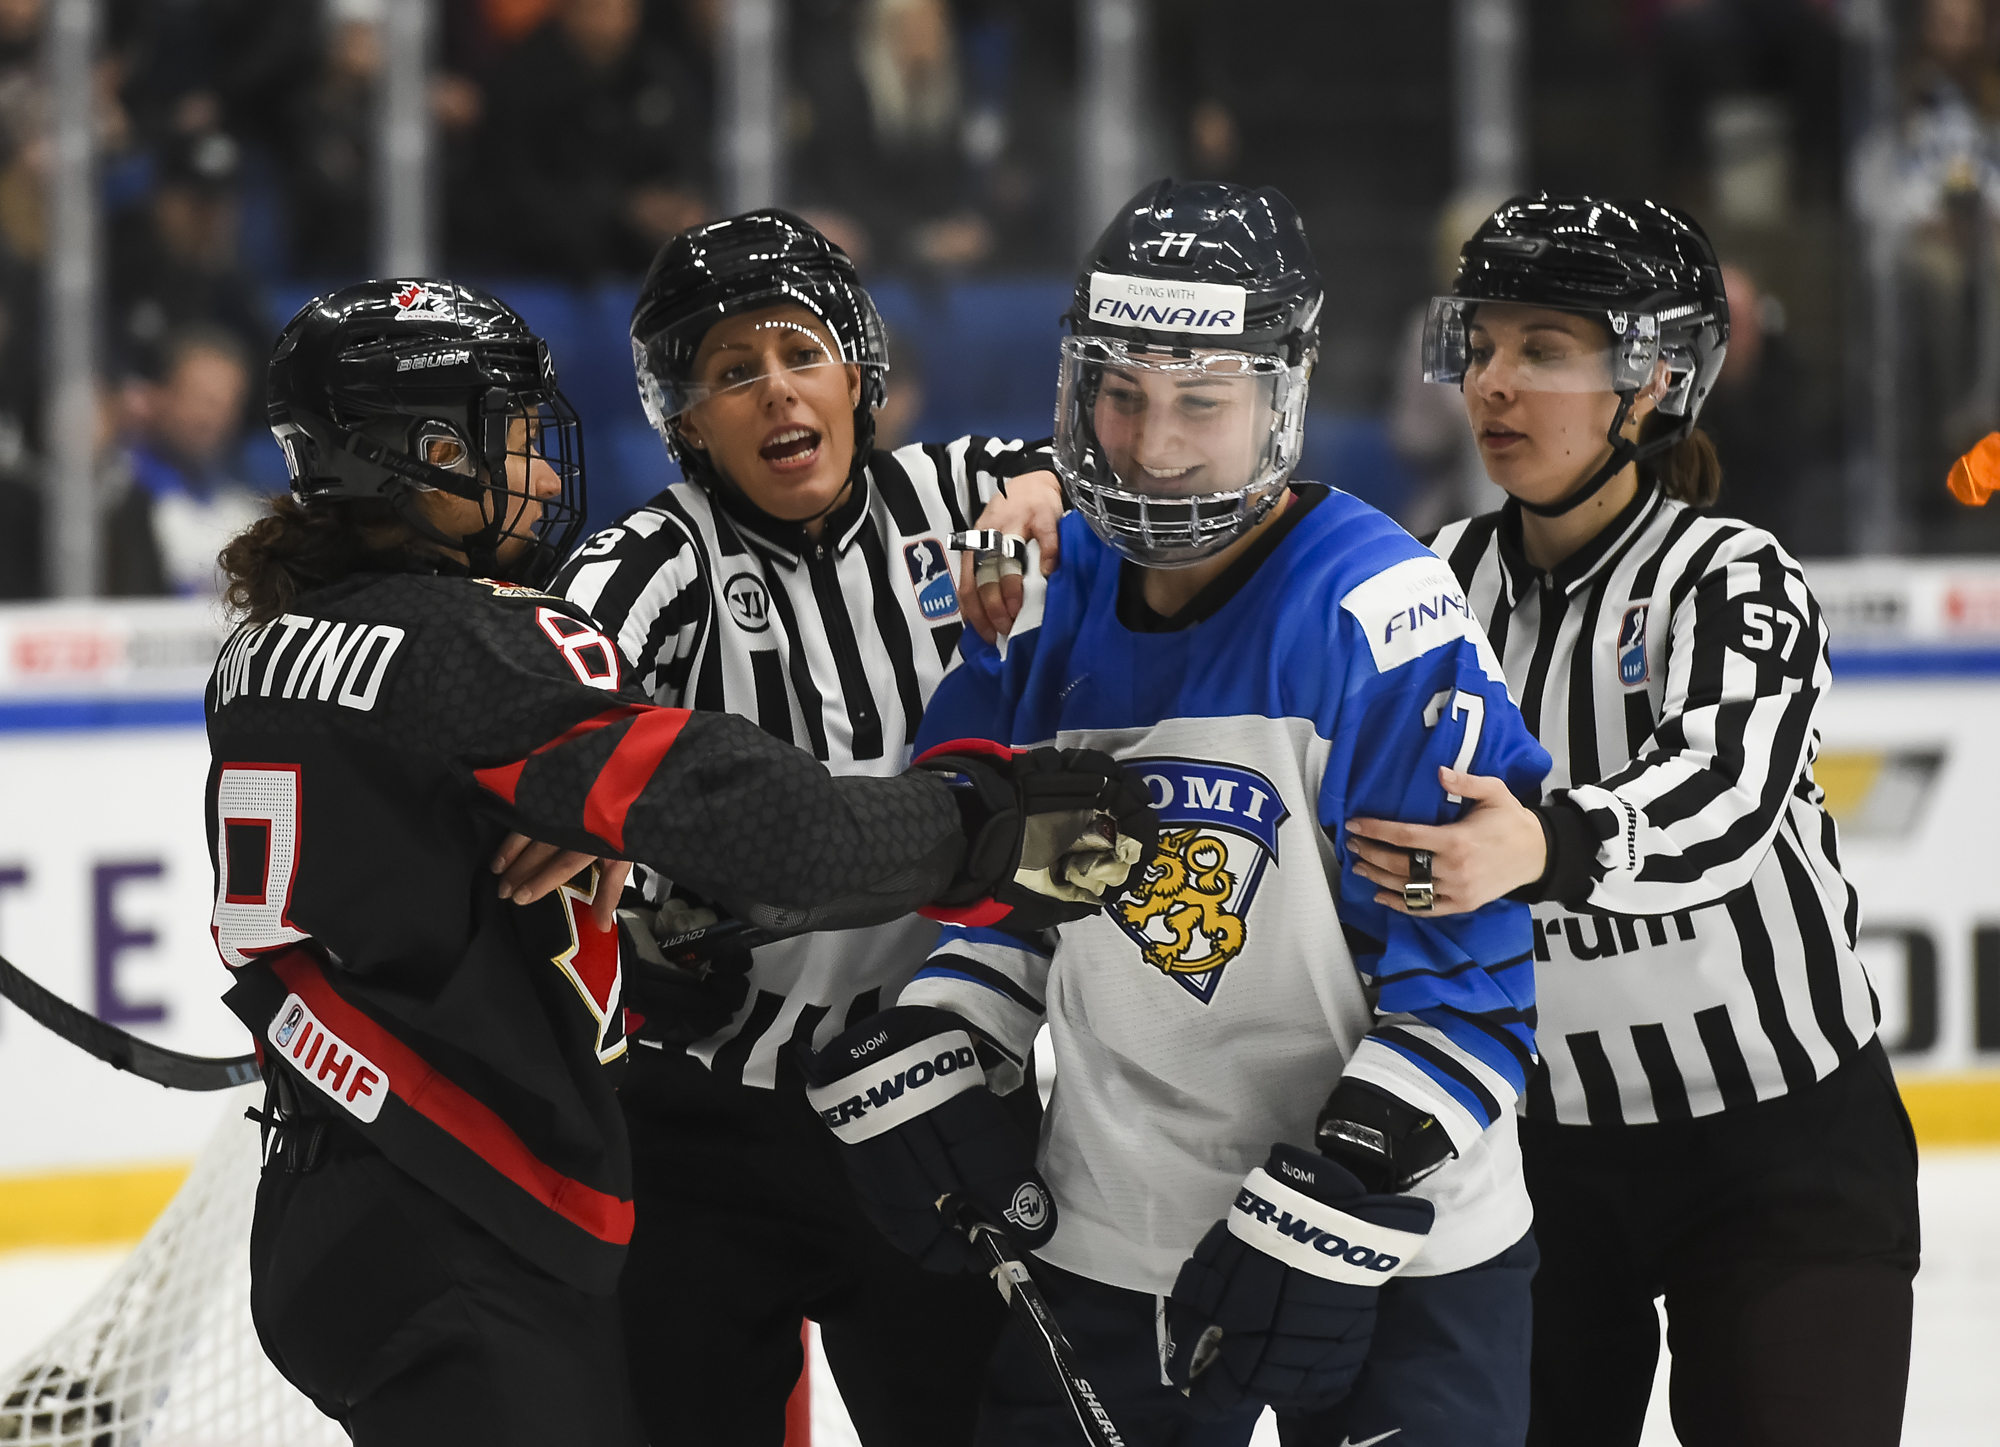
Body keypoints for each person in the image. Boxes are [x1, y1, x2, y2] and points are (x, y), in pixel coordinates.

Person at [209, 277, 1153, 1447]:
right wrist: (986, 826)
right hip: (465, 1206)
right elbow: (787, 831)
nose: (539, 468)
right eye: (508, 437)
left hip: (335, 1188)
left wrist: (591, 797)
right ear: (422, 453)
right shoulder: (478, 642)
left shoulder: (263, 647)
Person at [803, 179, 1553, 1447]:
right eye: (1121, 392)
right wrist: (949, 1032)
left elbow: (1468, 986)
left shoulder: (1378, 618)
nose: (1152, 446)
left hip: (1396, 1244)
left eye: (1201, 400)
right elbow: (1010, 897)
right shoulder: (1043, 596)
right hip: (1116, 1230)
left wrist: (1347, 1179)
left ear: (1279, 397)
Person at [1344, 194, 1919, 1447]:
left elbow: (1725, 791)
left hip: (1779, 1151)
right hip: (1533, 1158)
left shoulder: (1730, 574)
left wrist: (1545, 843)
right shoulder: (1430, 584)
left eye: (1543, 349)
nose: (1492, 382)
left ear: (1655, 380)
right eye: (1479, 346)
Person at [546, 208, 1069, 1447]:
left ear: (858, 375)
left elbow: (1124, 464)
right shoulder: (655, 559)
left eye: (799, 353)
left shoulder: (956, 496)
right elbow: (553, 687)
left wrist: (1052, 485)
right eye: (732, 372)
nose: (775, 389)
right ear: (686, 421)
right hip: (703, 1129)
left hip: (943, 1096)